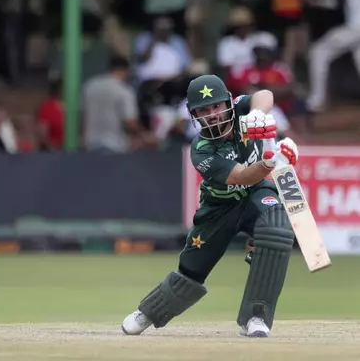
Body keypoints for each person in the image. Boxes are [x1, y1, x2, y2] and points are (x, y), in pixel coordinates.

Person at [121, 75, 299, 338]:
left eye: (217, 106)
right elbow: (241, 176)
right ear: (195, 115)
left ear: (228, 102)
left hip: (256, 194)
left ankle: (256, 318)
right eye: (204, 110)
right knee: (191, 272)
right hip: (219, 208)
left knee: (277, 228)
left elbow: (265, 95)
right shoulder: (201, 149)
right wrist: (273, 163)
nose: (213, 114)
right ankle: (148, 312)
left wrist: (258, 114)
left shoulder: (242, 109)